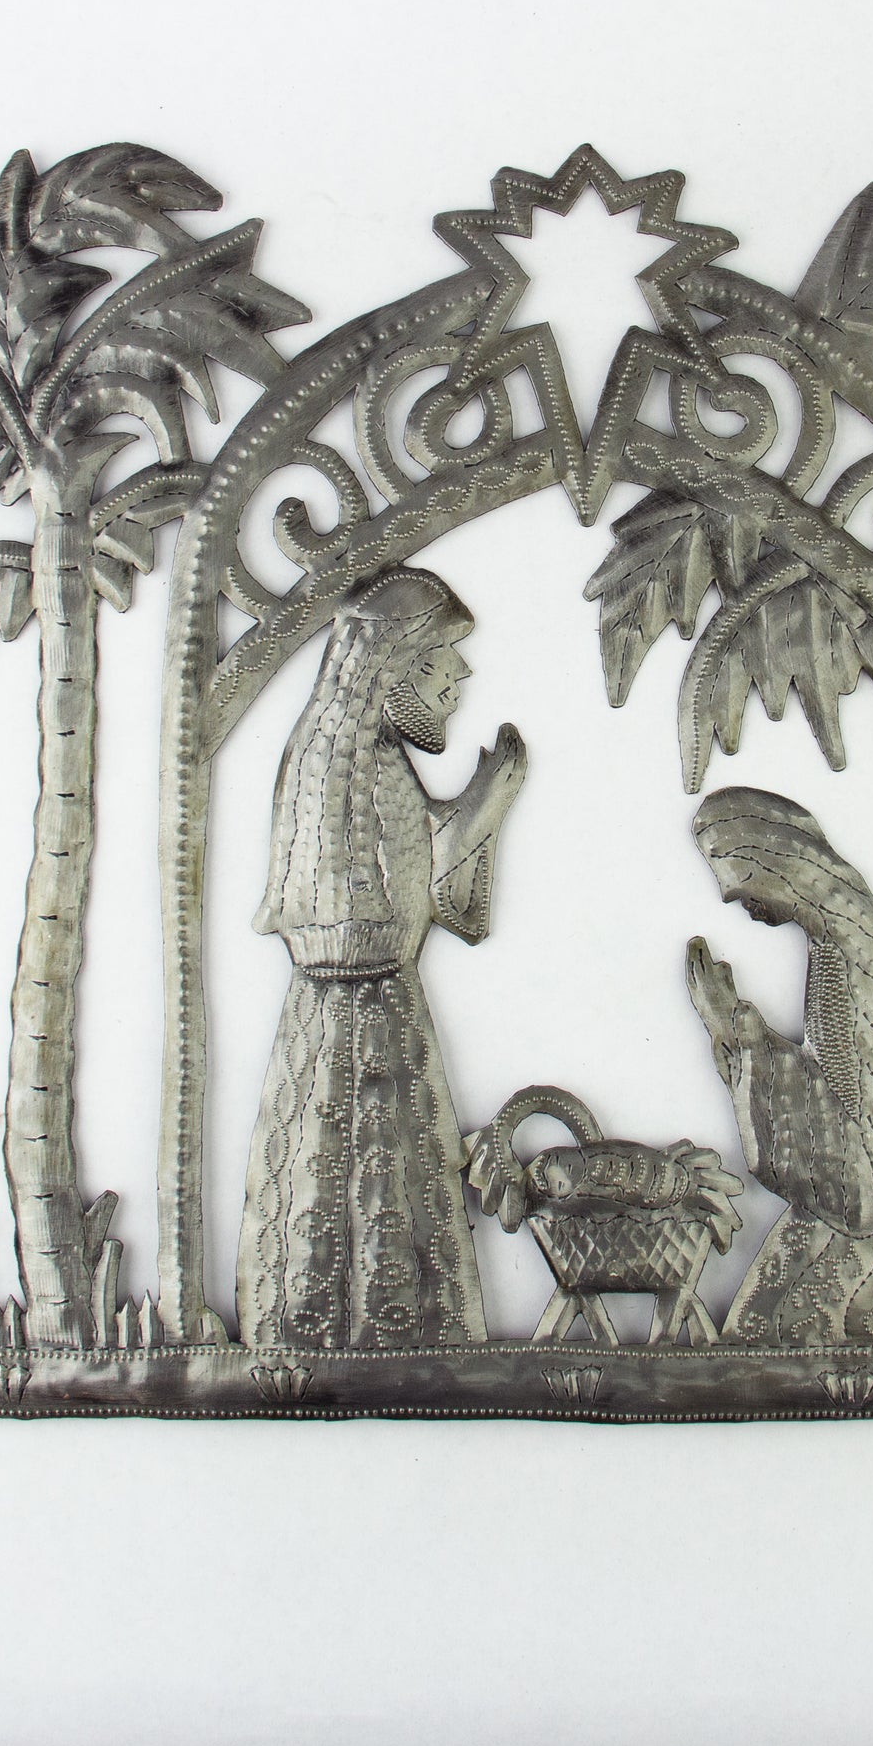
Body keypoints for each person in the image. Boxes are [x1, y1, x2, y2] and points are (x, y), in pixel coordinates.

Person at [237, 567, 526, 1349]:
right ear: (391, 671)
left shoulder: (375, 757)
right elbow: (380, 912)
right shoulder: (334, 761)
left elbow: (422, 887)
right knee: (346, 1190)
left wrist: (488, 800)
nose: (459, 676)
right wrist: (485, 804)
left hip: (382, 1005)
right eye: (439, 662)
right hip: (351, 1015)